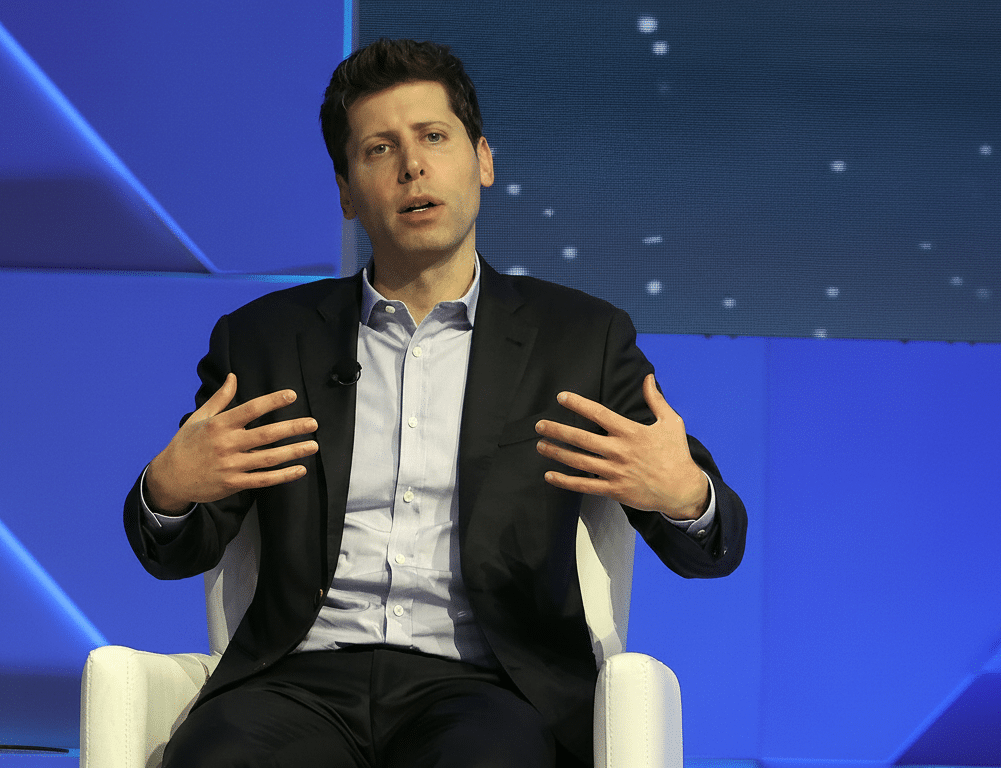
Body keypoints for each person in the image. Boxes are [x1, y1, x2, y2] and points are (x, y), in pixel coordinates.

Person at [124, 38, 746, 768]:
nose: (412, 166)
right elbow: (178, 549)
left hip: (488, 687)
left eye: (433, 138)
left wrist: (684, 496)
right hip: (293, 684)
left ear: (482, 159)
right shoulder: (265, 340)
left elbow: (712, 547)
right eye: (379, 149)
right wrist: (165, 493)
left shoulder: (578, 338)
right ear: (347, 192)